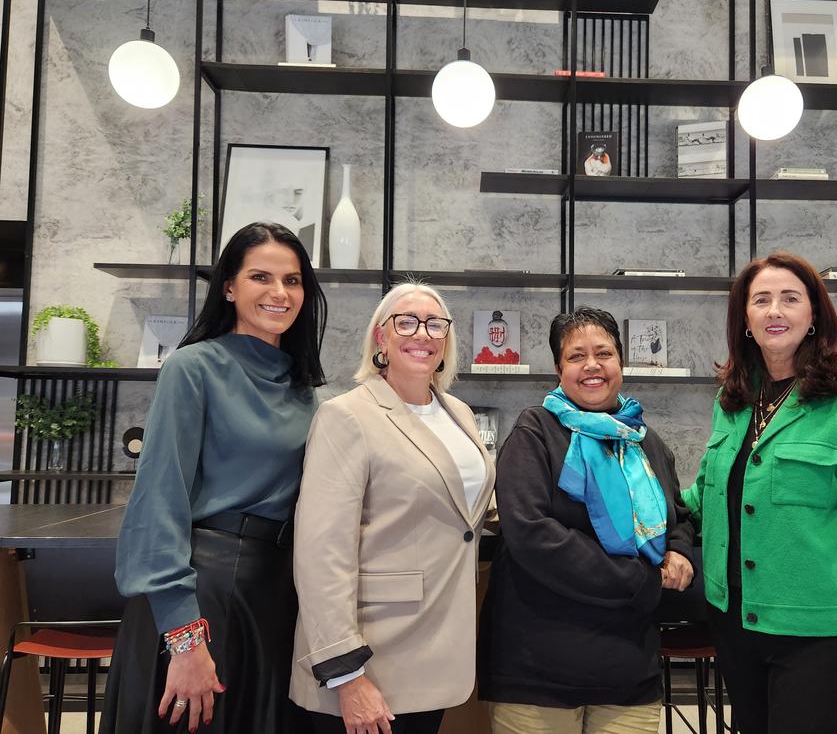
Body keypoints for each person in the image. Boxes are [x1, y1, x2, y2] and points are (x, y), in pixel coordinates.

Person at [101, 222, 327, 734]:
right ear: (229, 286)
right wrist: (184, 637)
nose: (279, 293)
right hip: (204, 591)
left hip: (276, 594)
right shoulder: (193, 367)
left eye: (292, 281)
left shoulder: (307, 390)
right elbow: (158, 503)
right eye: (261, 277)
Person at [681, 251, 837, 734]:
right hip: (735, 628)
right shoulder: (734, 400)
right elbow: (705, 498)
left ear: (814, 316)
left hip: (818, 640)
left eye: (790, 299)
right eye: (761, 300)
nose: (774, 311)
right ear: (744, 318)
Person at [478, 306, 696, 734]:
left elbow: (678, 515)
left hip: (629, 667)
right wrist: (640, 579)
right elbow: (533, 536)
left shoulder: (643, 440)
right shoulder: (534, 433)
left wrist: (679, 550)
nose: (592, 365)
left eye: (604, 353)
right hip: (539, 670)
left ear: (620, 362)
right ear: (559, 368)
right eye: (576, 356)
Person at [290, 282, 496, 734]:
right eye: (406, 322)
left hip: (438, 649)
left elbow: (465, 505)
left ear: (447, 340)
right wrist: (346, 671)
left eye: (435, 324)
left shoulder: (457, 412)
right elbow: (321, 551)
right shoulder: (347, 415)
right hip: (373, 657)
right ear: (381, 338)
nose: (422, 333)